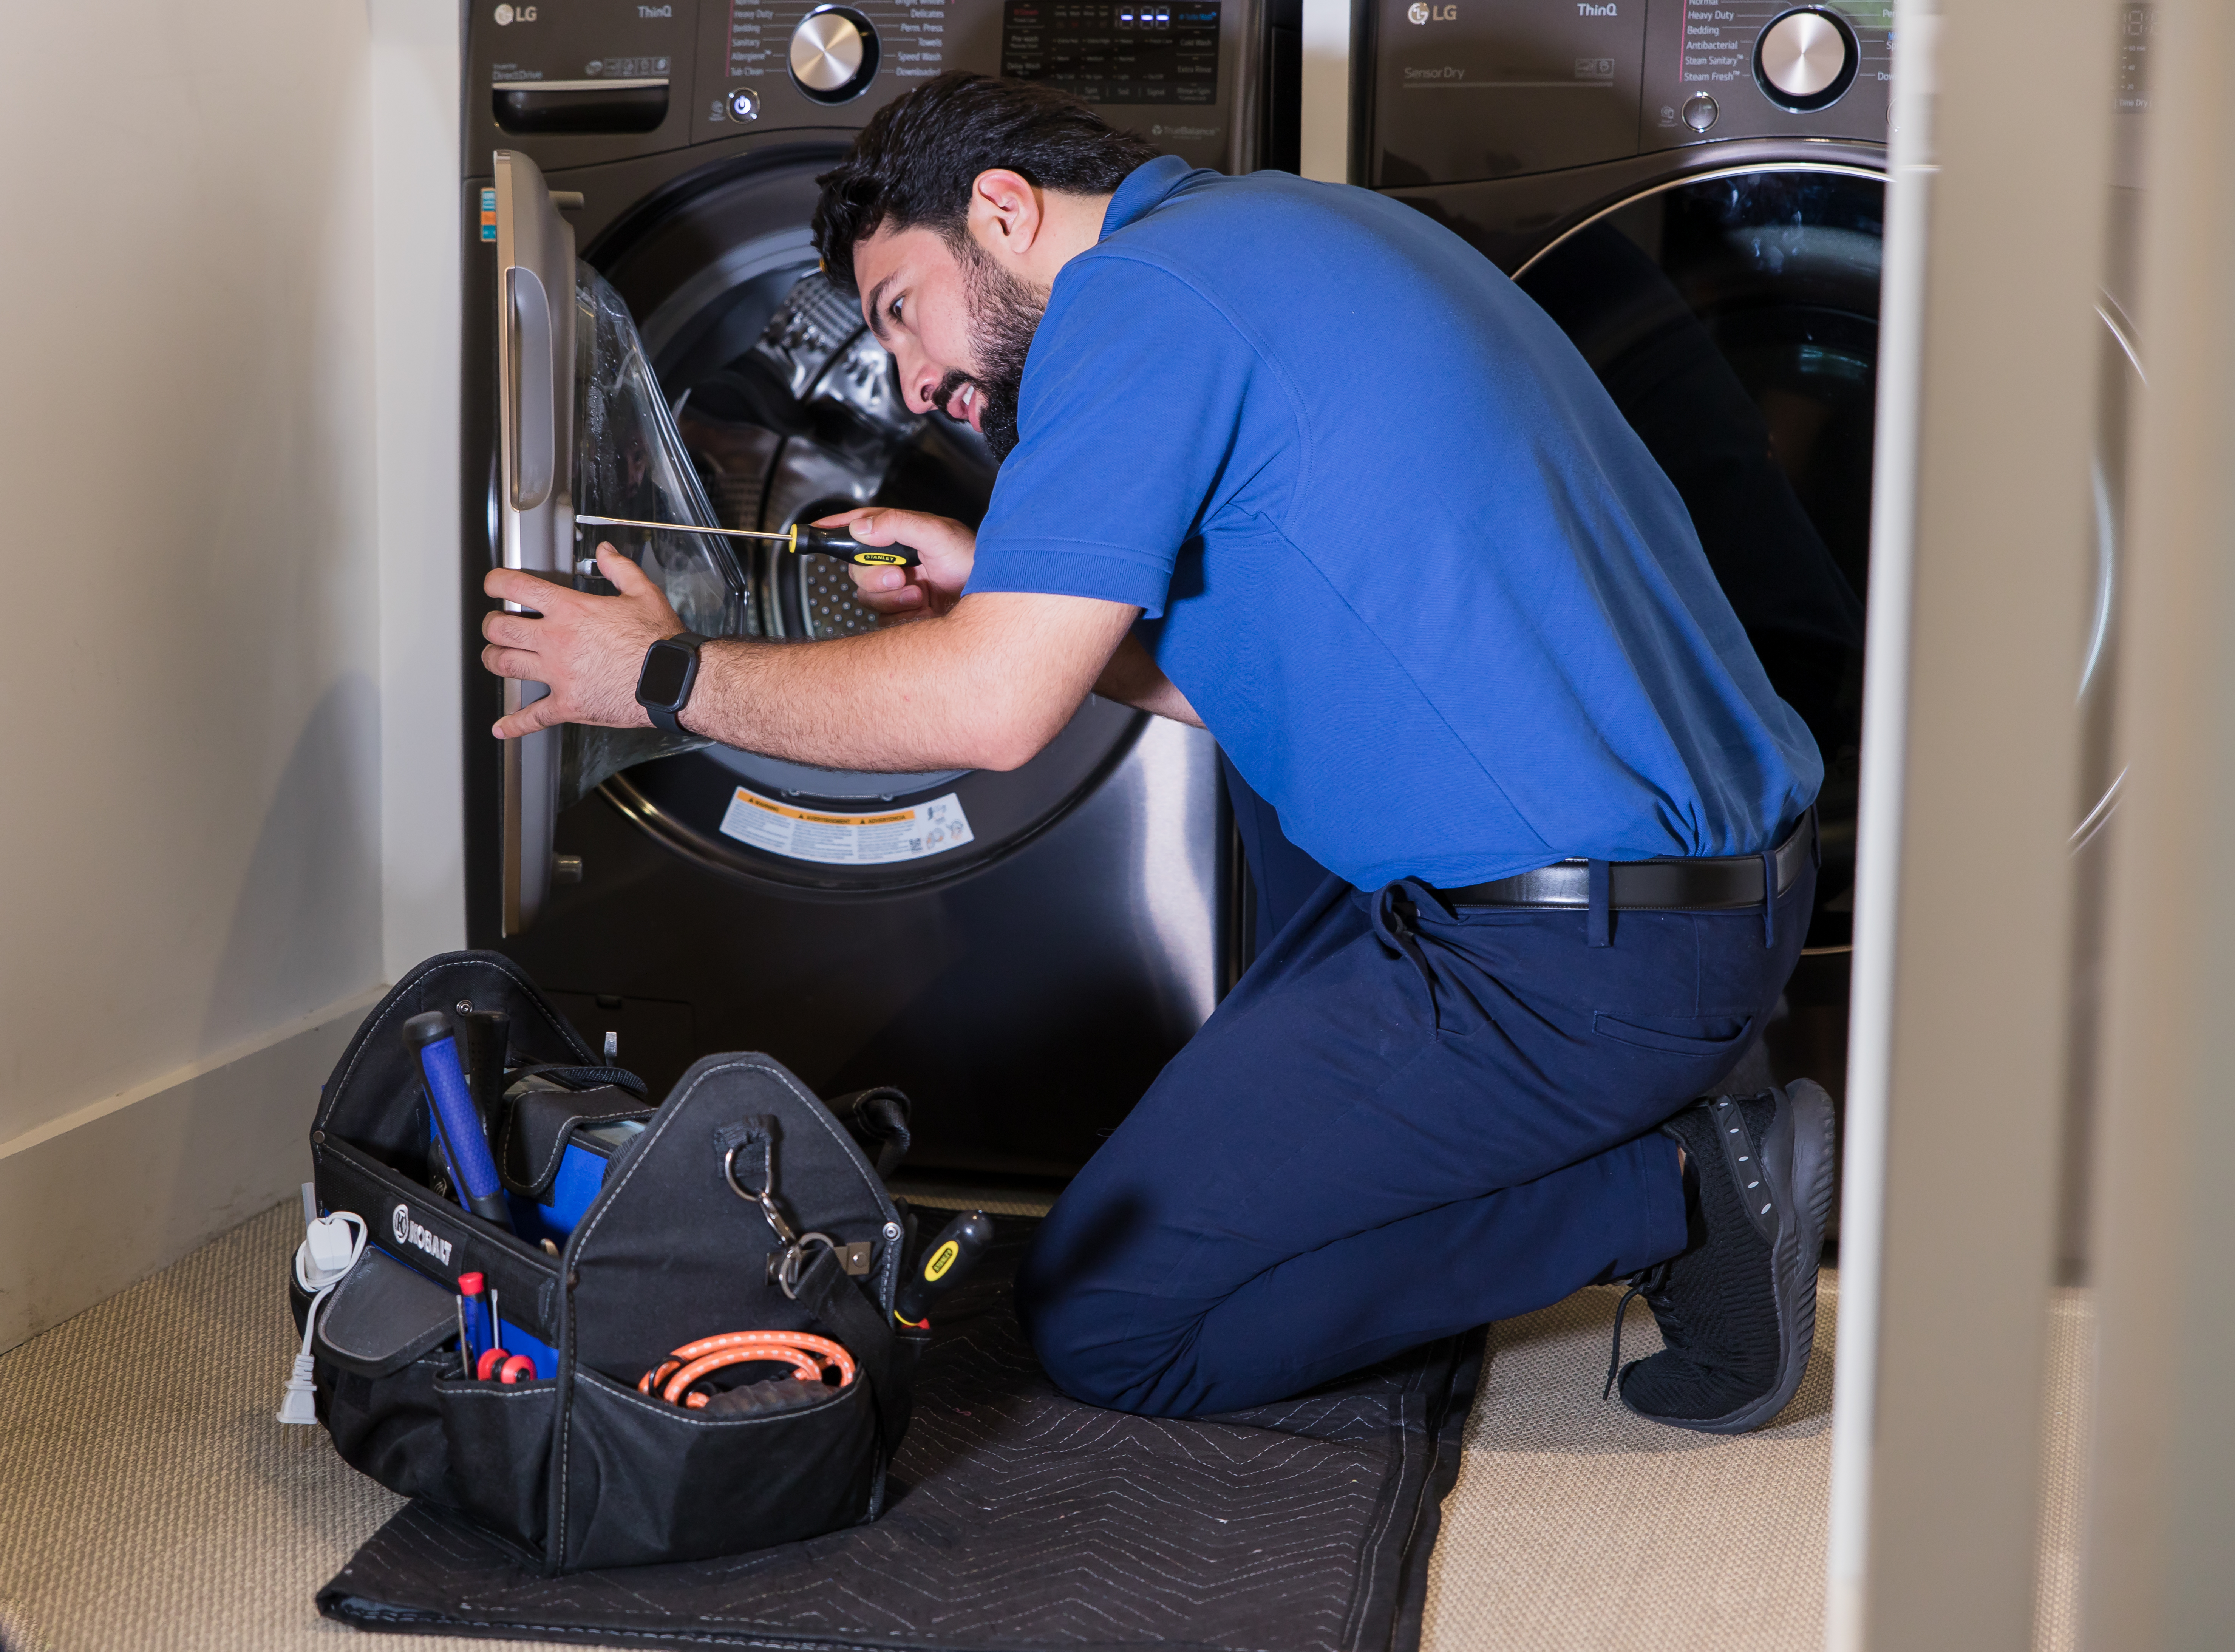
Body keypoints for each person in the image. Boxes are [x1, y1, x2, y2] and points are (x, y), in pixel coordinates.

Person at [478, 73, 1834, 1433]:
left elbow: (992, 714)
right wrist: (996, 593)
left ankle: (1679, 1192)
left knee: (1113, 1321)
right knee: (1243, 952)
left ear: (1002, 212)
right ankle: (1565, 1125)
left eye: (899, 309)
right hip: (1690, 905)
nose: (914, 383)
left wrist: (658, 676)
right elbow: (1267, 678)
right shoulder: (1283, 231)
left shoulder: (1132, 300)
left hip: (1573, 961)